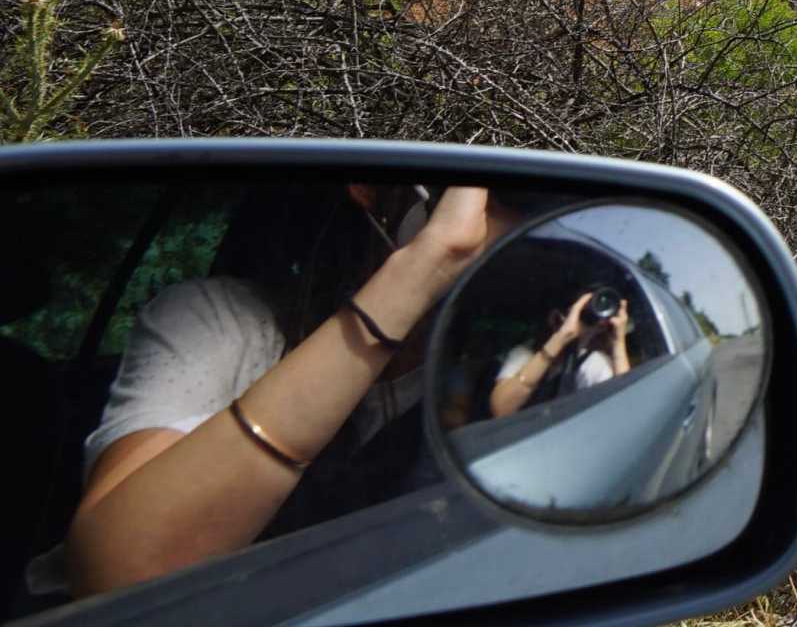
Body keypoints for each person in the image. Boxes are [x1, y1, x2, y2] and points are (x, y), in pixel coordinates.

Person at [55, 184, 503, 600]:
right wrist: (424, 268)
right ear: (368, 189)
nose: (497, 219)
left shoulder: (504, 377)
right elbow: (121, 580)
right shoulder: (225, 323)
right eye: (485, 190)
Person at [487, 289, 630, 418]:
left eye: (592, 321)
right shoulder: (524, 355)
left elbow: (626, 410)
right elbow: (501, 409)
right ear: (554, 317)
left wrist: (618, 343)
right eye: (580, 314)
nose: (586, 326)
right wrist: (561, 338)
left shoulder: (591, 363)